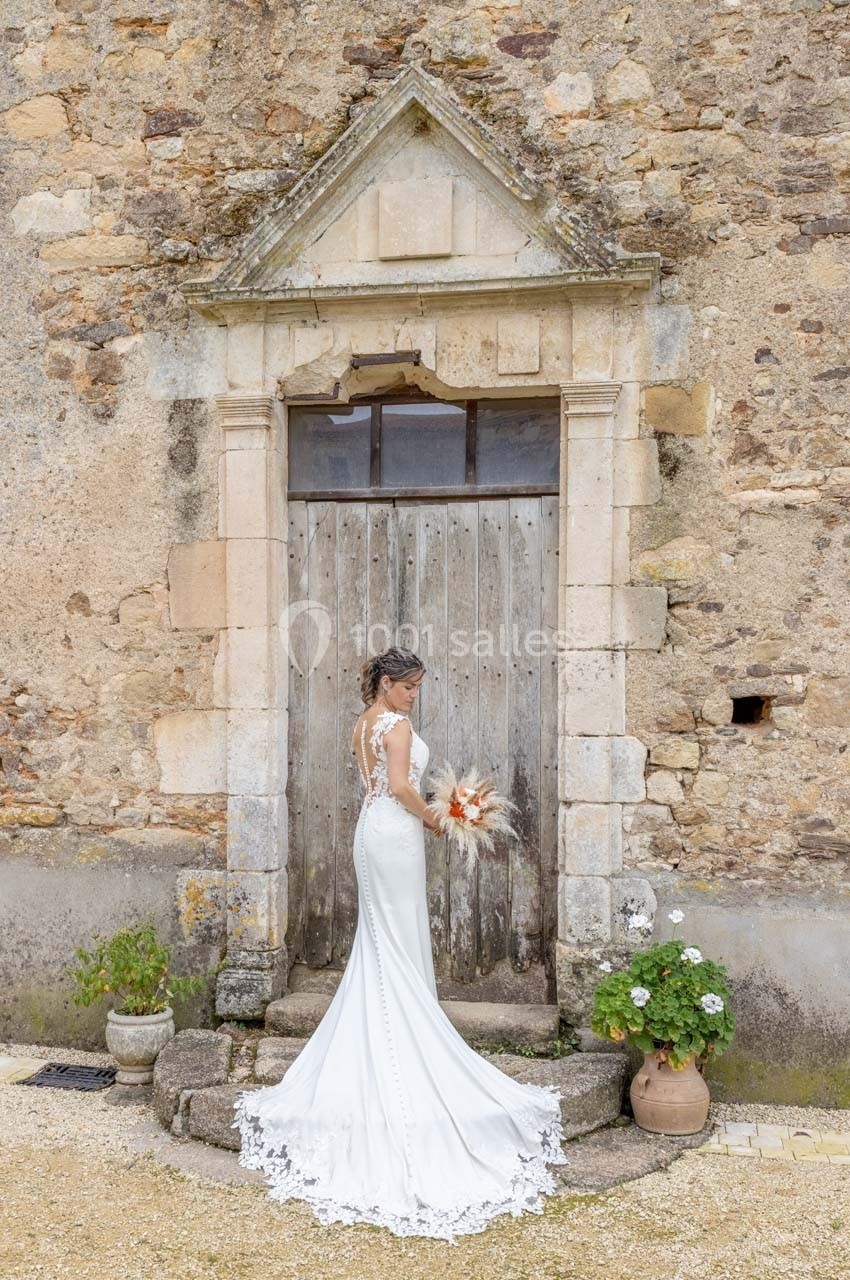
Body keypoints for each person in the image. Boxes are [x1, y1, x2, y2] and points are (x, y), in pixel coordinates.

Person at [232, 646, 566, 1242]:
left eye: (416, 688)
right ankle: (406, 1037)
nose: (414, 696)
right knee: (395, 936)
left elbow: (378, 785)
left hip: (371, 833)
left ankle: (383, 1024)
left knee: (382, 938)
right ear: (387, 684)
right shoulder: (398, 724)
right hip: (396, 833)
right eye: (409, 686)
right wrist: (444, 820)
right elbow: (400, 788)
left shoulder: (364, 721)